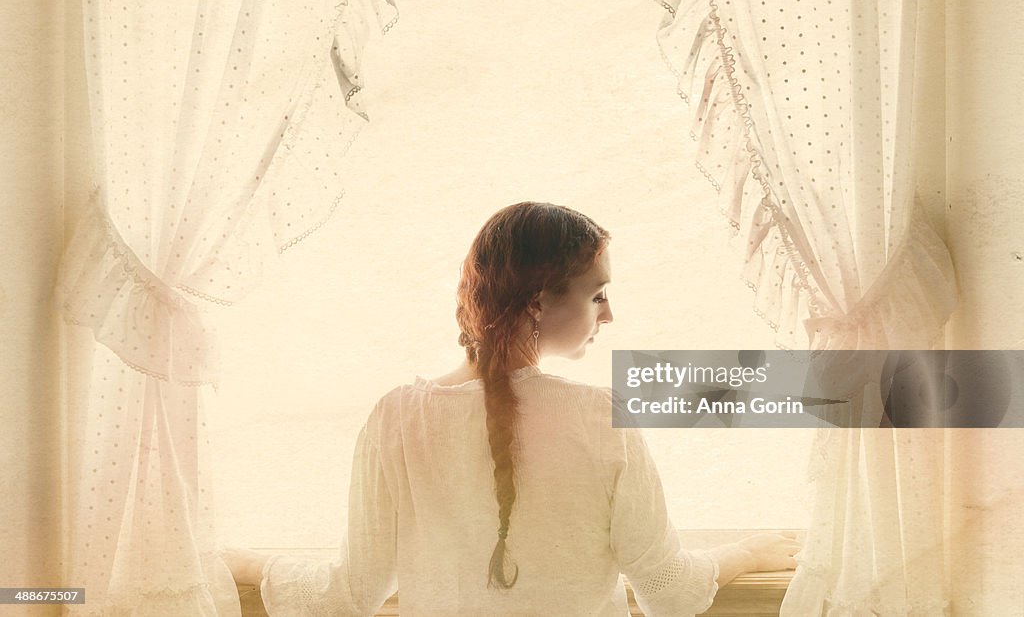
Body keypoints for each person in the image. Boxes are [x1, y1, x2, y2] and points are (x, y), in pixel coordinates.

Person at [222, 201, 800, 615]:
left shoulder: (396, 418)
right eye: (598, 294)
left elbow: (346, 597)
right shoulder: (601, 418)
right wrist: (748, 552)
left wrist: (250, 566)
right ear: (538, 304)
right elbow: (670, 591)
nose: (610, 314)